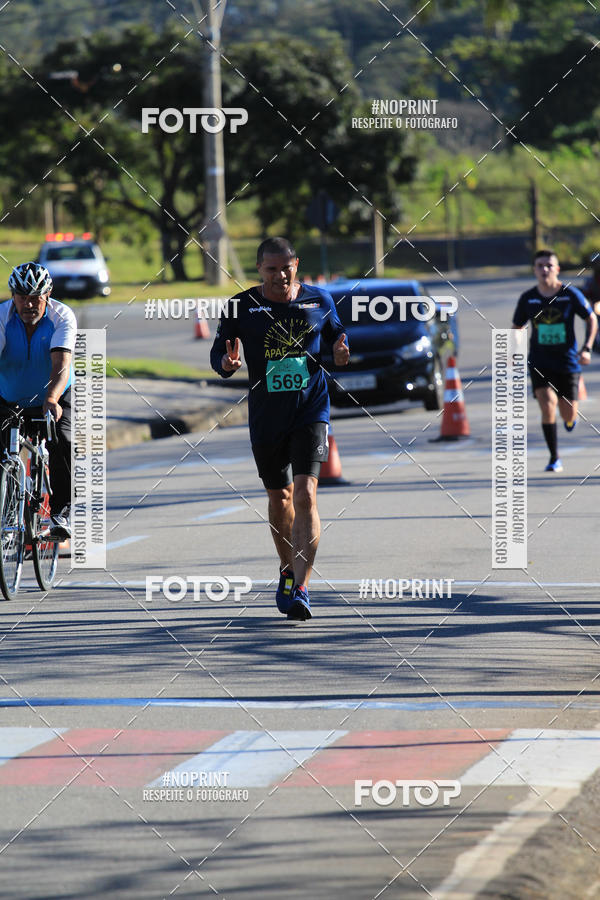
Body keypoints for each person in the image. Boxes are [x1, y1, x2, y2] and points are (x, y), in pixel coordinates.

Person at [210, 237, 349, 620]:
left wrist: (340, 351)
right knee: (281, 498)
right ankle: (288, 568)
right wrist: (226, 361)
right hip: (267, 417)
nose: (280, 275)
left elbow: (337, 335)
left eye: (286, 267)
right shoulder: (242, 306)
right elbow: (218, 353)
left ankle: (302, 586)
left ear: (296, 264)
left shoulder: (319, 300)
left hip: (311, 409)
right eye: (271, 269)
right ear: (260, 270)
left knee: (305, 495)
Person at [1, 262, 77, 537]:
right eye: (22, 297)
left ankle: (60, 514)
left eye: (35, 298)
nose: (29, 304)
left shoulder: (62, 317)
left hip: (54, 393)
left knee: (62, 440)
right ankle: (7, 509)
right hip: (10, 396)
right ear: (13, 296)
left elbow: (61, 364)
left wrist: (52, 398)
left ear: (48, 295)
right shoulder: (1, 317)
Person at [512, 249, 597, 472]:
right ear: (534, 270)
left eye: (549, 265)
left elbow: (591, 319)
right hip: (539, 362)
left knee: (568, 412)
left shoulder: (570, 294)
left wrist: (587, 348)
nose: (544, 269)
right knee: (547, 405)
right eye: (540, 265)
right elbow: (517, 328)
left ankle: (570, 420)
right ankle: (554, 457)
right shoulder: (527, 298)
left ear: (557, 269)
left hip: (567, 362)